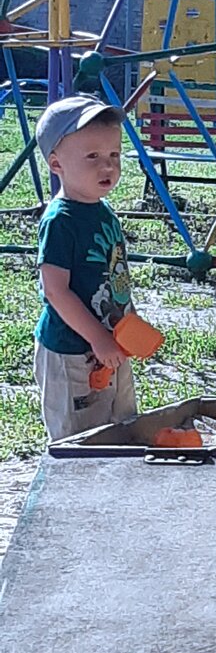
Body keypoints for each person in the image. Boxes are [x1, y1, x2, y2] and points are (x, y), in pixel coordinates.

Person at [33, 94, 138, 441]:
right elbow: (55, 291)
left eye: (114, 155)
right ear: (56, 164)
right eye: (92, 156)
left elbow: (114, 276)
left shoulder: (104, 212)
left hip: (110, 344)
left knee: (122, 424)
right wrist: (97, 338)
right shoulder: (60, 222)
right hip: (72, 352)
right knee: (80, 438)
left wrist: (127, 322)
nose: (107, 166)